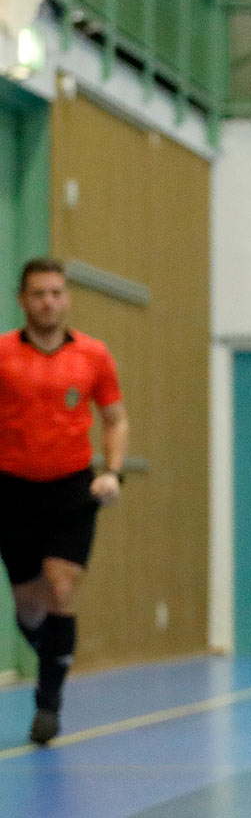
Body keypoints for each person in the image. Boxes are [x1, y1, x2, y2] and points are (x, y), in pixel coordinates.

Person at [1, 260, 128, 746]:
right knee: (30, 607)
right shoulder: (3, 354)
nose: (47, 302)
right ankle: (50, 649)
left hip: (71, 489)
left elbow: (115, 419)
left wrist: (112, 473)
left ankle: (48, 704)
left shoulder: (93, 355)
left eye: (56, 293)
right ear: (23, 300)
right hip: (11, 490)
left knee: (60, 587)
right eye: (38, 294)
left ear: (67, 298)